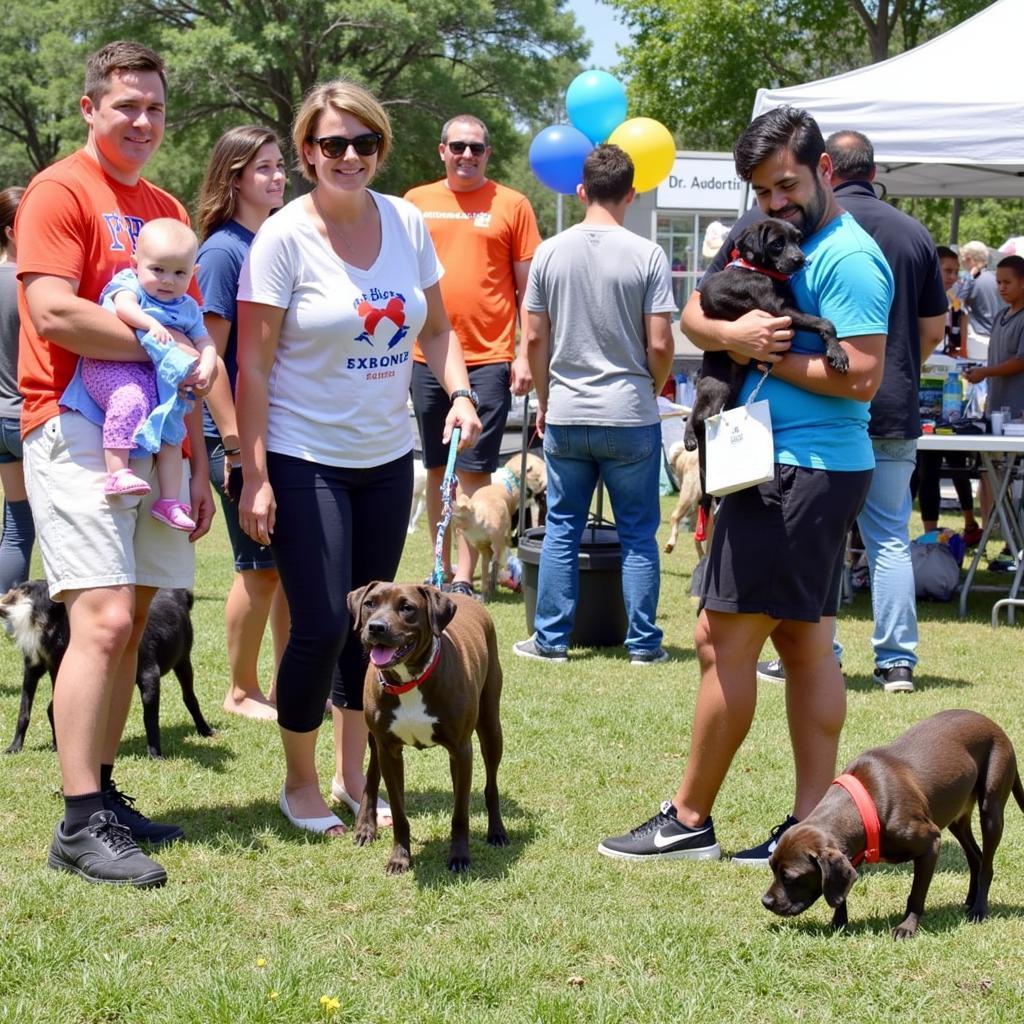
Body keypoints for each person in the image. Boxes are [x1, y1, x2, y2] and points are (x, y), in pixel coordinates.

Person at [599, 107, 892, 866]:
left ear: (825, 171)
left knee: (723, 637)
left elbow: (862, 377)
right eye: (762, 190)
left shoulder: (850, 260)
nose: (773, 204)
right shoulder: (757, 231)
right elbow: (698, 312)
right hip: (771, 463)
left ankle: (689, 820)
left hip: (803, 472)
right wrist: (732, 336)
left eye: (786, 185)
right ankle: (817, 827)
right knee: (803, 643)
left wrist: (763, 357)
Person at [235, 79, 481, 836]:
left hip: (386, 459)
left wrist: (461, 391)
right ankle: (299, 783)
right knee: (318, 624)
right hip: (304, 454)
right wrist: (256, 474)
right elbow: (253, 362)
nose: (349, 156)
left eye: (364, 142)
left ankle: (352, 774)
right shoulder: (282, 237)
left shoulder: (406, 222)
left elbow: (436, 329)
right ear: (307, 152)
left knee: (375, 627)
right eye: (332, 144)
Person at [15, 40, 214, 887]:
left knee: (132, 624)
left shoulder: (164, 203)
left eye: (155, 108)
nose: (141, 121)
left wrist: (201, 463)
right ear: (90, 107)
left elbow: (199, 348)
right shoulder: (61, 191)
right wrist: (158, 339)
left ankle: (103, 791)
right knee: (96, 620)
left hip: (159, 446)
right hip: (75, 428)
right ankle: (77, 824)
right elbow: (55, 314)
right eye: (125, 105)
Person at [757, 130, 946, 695]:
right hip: (895, 404)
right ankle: (896, 662)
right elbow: (933, 328)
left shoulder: (812, 235)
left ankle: (824, 653)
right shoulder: (913, 232)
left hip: (833, 400)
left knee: (827, 538)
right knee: (889, 535)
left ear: (825, 169)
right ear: (873, 168)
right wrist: (901, 362)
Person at [511, 144, 675, 664]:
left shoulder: (550, 253)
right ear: (632, 193)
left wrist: (544, 398)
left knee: (562, 527)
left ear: (581, 191)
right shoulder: (648, 254)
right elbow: (662, 344)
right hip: (629, 412)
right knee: (638, 535)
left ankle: (551, 640)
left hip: (567, 410)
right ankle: (645, 644)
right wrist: (652, 386)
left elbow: (533, 339)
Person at [405, 115, 540, 596]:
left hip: (488, 357)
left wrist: (524, 355)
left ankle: (465, 576)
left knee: (473, 472)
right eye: (458, 147)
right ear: (441, 150)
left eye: (477, 148)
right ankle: (437, 568)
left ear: (488, 152)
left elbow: (530, 292)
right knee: (437, 469)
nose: (467, 156)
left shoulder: (513, 205)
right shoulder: (416, 203)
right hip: (426, 357)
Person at [196, 125, 289, 720]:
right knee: (259, 570)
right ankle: (238, 691)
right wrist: (234, 450)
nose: (278, 176)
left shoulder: (273, 239)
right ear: (234, 178)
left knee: (283, 570)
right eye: (264, 168)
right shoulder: (224, 251)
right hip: (228, 436)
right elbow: (209, 361)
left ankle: (286, 685)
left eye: (281, 165)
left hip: (271, 430)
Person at [63, 218, 217, 533]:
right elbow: (123, 308)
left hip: (157, 381)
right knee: (128, 400)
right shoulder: (129, 284)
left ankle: (170, 500)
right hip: (110, 367)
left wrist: (209, 362)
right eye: (157, 269)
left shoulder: (187, 306)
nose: (168, 281)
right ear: (136, 263)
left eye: (179, 273)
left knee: (172, 432)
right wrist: (151, 324)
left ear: (193, 274)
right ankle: (117, 471)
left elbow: (205, 340)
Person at [912, 245, 980, 544]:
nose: (953, 277)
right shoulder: (916, 302)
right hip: (920, 396)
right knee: (926, 465)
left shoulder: (957, 308)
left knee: (955, 460)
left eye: (956, 271)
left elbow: (960, 348)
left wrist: (958, 363)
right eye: (947, 270)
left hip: (951, 396)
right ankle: (929, 535)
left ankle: (970, 522)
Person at [964, 254, 1024, 564]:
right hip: (996, 411)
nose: (1000, 287)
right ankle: (990, 531)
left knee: (1017, 481)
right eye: (998, 281)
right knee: (989, 473)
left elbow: (1019, 361)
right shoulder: (1001, 316)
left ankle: (1015, 544)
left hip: (1019, 416)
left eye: (1007, 282)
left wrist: (985, 374)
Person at [0, 186, 35, 592]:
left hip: (0, 423)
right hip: (27, 418)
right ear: (12, 230)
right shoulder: (28, 286)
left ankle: (10, 613)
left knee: (17, 523)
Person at [960, 240, 1005, 352]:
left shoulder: (972, 282)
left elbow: (956, 306)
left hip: (979, 339)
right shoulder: (998, 279)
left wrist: (969, 278)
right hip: (1001, 338)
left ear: (968, 258)